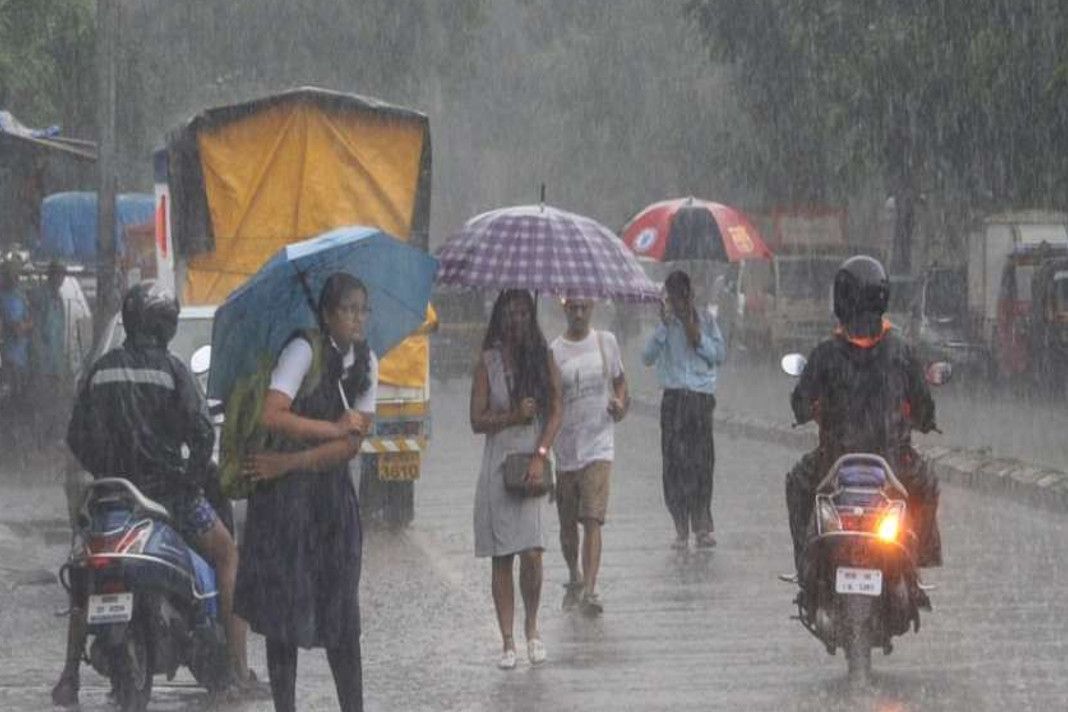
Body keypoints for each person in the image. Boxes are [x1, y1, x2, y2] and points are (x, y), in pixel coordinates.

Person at [52, 281, 252, 707]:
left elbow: (76, 437)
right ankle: (238, 671)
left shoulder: (100, 371)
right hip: (169, 498)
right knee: (228, 555)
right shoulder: (173, 371)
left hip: (110, 499)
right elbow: (202, 434)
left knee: (84, 572)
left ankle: (69, 675)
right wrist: (190, 479)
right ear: (165, 326)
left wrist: (108, 468)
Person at [236, 272, 376, 712]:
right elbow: (272, 414)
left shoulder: (367, 363)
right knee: (283, 613)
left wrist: (292, 462)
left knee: (342, 615)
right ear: (328, 314)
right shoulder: (303, 351)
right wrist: (332, 428)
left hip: (331, 503)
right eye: (348, 309)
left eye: (362, 310)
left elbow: (351, 446)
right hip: (285, 505)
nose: (357, 318)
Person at [785, 255, 943, 578]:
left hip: (833, 462)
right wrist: (924, 419)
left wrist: (810, 410)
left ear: (840, 300)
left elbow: (800, 404)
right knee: (927, 484)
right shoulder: (901, 350)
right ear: (882, 298)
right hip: (895, 463)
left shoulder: (825, 353)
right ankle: (918, 561)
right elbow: (924, 407)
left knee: (797, 484)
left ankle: (805, 565)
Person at [471, 289, 562, 669]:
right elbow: (476, 420)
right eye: (510, 313)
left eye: (524, 313)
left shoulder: (543, 357)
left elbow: (556, 411)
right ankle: (508, 641)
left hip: (532, 462)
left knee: (533, 552)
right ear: (500, 318)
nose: (517, 320)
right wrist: (511, 416)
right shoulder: (487, 362)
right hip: (498, 465)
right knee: (502, 556)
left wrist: (541, 454)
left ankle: (532, 628)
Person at [551, 298, 628, 615]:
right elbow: (551, 403)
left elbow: (621, 385)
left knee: (593, 518)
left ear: (592, 307)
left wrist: (619, 404)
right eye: (573, 308)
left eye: (584, 308)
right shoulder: (554, 352)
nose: (579, 314)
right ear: (565, 309)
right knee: (569, 525)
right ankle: (575, 575)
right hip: (566, 450)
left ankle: (591, 590)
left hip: (599, 444)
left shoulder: (606, 343)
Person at [642, 270, 726, 550]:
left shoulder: (707, 321)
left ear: (690, 296)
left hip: (700, 401)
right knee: (674, 466)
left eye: (683, 297)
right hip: (674, 400)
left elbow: (718, 356)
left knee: (702, 464)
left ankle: (701, 526)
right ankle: (680, 526)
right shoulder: (665, 327)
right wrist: (664, 328)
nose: (679, 303)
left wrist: (697, 336)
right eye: (673, 298)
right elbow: (646, 357)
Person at [29, 261, 71, 445]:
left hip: (56, 360)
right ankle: (39, 439)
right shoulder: (41, 297)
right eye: (59, 275)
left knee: (57, 400)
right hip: (42, 360)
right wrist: (37, 357)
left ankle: (52, 437)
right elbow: (36, 330)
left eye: (63, 275)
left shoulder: (58, 298)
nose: (61, 279)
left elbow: (60, 331)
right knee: (42, 401)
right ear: (51, 275)